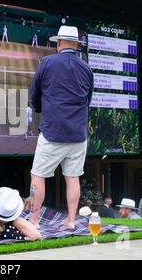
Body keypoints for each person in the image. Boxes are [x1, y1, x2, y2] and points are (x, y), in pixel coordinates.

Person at [28, 25, 94, 230]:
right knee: (72, 178)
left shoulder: (47, 62)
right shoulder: (86, 68)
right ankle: (71, 221)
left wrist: (40, 110)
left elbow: (34, 94)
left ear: (59, 43)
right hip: (77, 134)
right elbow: (88, 100)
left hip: (52, 132)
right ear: (75, 45)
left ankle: (33, 221)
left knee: (37, 176)